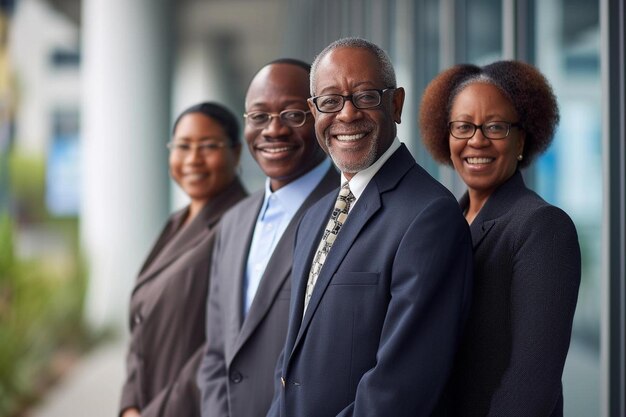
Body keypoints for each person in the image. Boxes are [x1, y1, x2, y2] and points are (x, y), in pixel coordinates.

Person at [266, 38, 474, 417]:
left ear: (395, 104)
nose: (347, 115)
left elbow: (401, 390)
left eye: (365, 96)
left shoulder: (429, 217)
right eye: (330, 101)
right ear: (314, 112)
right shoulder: (314, 218)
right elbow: (290, 362)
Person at [419, 60, 581, 416]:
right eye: (463, 126)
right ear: (445, 137)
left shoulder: (542, 227)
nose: (477, 139)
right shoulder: (445, 224)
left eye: (495, 126)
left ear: (522, 138)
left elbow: (532, 383)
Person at [197, 58, 338, 417]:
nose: (273, 130)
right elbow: (216, 351)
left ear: (320, 117)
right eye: (259, 116)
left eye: (293, 115)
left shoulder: (348, 211)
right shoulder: (233, 221)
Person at [119, 102, 247, 417]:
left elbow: (223, 343)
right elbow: (141, 321)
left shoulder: (242, 224)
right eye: (182, 146)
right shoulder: (178, 221)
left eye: (208, 146)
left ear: (236, 153)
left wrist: (159, 412)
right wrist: (130, 402)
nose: (192, 159)